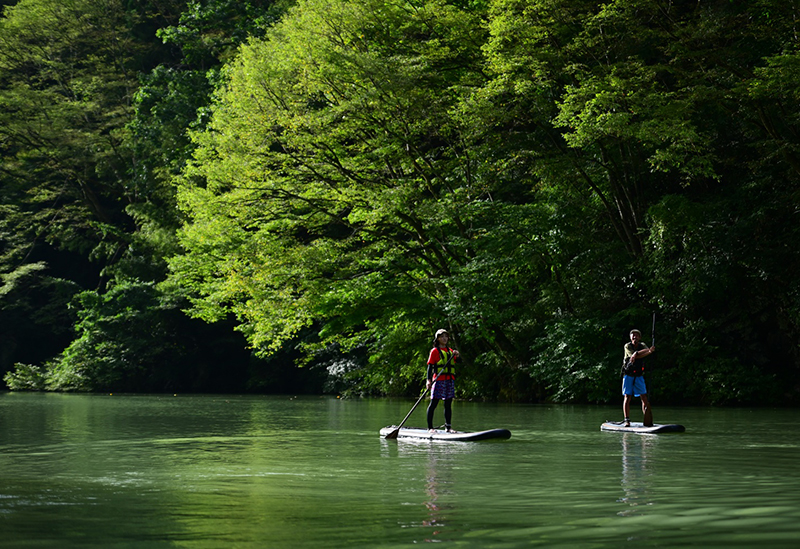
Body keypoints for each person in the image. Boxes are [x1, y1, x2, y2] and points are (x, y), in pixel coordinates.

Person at [426, 329, 460, 433]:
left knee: (448, 404)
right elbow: (430, 366)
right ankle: (430, 428)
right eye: (442, 337)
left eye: (446, 336)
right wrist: (428, 380)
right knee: (434, 403)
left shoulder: (450, 351)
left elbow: (458, 362)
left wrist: (457, 356)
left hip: (449, 380)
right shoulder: (435, 351)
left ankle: (448, 427)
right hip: (438, 380)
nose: (444, 338)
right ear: (438, 339)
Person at [622, 329, 655, 427]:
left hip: (639, 375)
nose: (635, 337)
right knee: (627, 397)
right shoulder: (627, 346)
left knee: (644, 397)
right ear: (630, 337)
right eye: (633, 335)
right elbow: (640, 355)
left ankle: (647, 418)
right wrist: (641, 353)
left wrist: (646, 351)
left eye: (637, 335)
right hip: (628, 375)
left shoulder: (642, 345)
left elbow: (647, 350)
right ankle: (627, 420)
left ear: (639, 337)